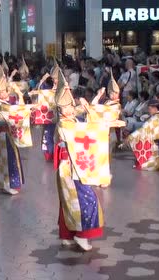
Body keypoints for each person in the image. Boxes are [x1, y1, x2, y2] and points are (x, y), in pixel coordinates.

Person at [53, 71, 107, 251]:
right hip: (70, 167)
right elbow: (83, 131)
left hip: (72, 165)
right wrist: (104, 126)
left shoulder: (69, 117)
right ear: (59, 110)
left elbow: (81, 110)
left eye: (70, 106)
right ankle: (81, 234)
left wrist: (95, 99)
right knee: (84, 199)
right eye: (65, 107)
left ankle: (67, 234)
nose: (69, 109)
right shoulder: (64, 123)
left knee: (69, 200)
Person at [0, 65, 31, 195]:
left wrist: (19, 94)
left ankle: (7, 183)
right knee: (5, 159)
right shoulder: (0, 104)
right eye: (2, 92)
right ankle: (5, 184)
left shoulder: (5, 102)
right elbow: (18, 110)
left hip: (6, 134)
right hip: (3, 134)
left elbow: (19, 107)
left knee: (9, 158)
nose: (4, 93)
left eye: (5, 91)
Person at [123, 99, 159, 171]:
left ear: (154, 108)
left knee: (140, 138)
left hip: (157, 145)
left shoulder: (153, 119)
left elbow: (142, 130)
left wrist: (130, 137)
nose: (149, 111)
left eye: (149, 109)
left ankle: (152, 161)